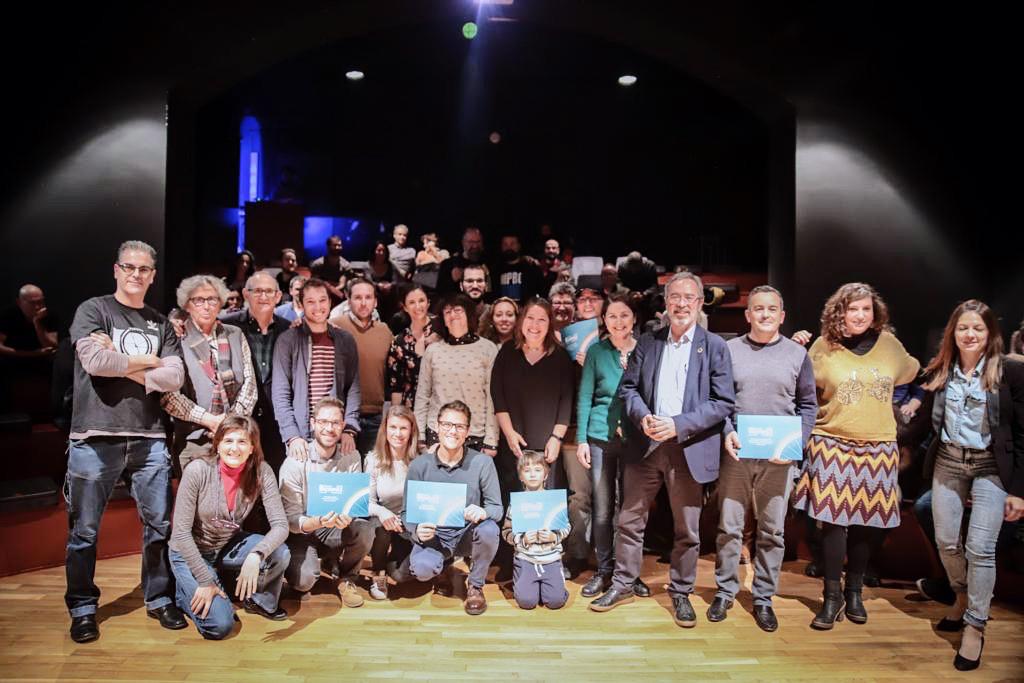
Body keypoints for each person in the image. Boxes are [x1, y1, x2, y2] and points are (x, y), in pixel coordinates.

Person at [590, 272, 735, 630]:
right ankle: (623, 583)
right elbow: (628, 389)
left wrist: (679, 424)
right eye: (675, 297)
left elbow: (722, 402)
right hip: (646, 446)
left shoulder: (715, 346)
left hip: (688, 447)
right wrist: (642, 417)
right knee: (629, 521)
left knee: (687, 529)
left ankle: (681, 591)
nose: (681, 304)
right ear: (666, 303)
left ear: (699, 303)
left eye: (688, 298)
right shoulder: (649, 342)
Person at [65, 240, 187, 643]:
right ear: (117, 270)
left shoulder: (160, 323)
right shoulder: (93, 310)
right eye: (129, 267)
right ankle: (83, 608)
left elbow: (174, 378)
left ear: (153, 276)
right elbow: (95, 363)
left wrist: (122, 360)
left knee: (159, 526)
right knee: (84, 531)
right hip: (94, 436)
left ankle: (159, 598)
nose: (136, 274)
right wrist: (150, 362)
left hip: (149, 437)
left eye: (144, 269)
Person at [792, 282, 920, 630]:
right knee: (833, 523)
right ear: (840, 312)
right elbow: (802, 383)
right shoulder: (823, 346)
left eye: (866, 309)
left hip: (878, 445)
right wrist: (796, 349)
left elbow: (912, 369)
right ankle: (831, 597)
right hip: (832, 440)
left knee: (866, 522)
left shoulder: (890, 345)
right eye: (853, 309)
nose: (860, 315)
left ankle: (854, 592)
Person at [920, 299, 1024, 671]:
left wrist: (1019, 491)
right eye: (963, 327)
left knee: (980, 548)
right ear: (953, 332)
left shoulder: (1010, 372)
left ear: (990, 333)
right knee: (947, 541)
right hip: (948, 461)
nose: (969, 334)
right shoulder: (941, 369)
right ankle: (961, 597)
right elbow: (925, 421)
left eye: (977, 328)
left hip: (991, 466)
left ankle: (976, 626)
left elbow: (1022, 434)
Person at [709, 286, 817, 632]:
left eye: (772, 309)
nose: (765, 314)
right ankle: (725, 591)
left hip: (779, 458)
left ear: (782, 316)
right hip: (738, 454)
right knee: (729, 528)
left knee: (772, 531)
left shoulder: (797, 355)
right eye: (758, 309)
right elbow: (719, 401)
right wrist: (728, 431)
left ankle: (763, 597)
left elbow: (808, 406)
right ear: (748, 315)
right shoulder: (728, 351)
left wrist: (795, 445)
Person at [169, 416, 290, 638]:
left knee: (279, 553)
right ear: (217, 445)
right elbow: (181, 533)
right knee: (220, 626)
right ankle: (182, 594)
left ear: (252, 448)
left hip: (227, 544)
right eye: (228, 441)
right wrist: (205, 581)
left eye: (242, 441)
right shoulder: (197, 470)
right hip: (189, 551)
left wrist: (256, 555)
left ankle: (259, 601)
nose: (234, 448)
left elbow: (281, 526)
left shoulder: (262, 471)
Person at [394, 400, 502, 615]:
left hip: (467, 533)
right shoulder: (419, 465)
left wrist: (483, 512)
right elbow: (406, 513)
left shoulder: (482, 463)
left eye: (459, 426)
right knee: (421, 570)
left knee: (489, 529)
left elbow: (496, 508)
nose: (453, 431)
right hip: (435, 536)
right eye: (447, 425)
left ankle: (475, 586)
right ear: (437, 427)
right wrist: (417, 530)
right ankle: (441, 570)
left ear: (467, 431)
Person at [576, 294, 650, 599]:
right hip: (600, 438)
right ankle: (604, 570)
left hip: (635, 440)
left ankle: (629, 573)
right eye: (612, 316)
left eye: (624, 315)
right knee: (603, 509)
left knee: (631, 511)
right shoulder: (597, 351)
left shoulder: (646, 349)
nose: (618, 322)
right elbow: (585, 396)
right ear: (604, 321)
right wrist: (582, 439)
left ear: (634, 319)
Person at [490, 297, 575, 563]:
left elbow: (567, 399)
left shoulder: (560, 356)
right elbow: (497, 395)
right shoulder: (507, 352)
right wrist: (509, 433)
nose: (535, 325)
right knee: (513, 499)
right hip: (514, 444)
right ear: (521, 321)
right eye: (530, 318)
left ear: (549, 324)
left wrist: (557, 437)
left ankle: (550, 559)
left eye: (542, 319)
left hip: (548, 446)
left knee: (547, 504)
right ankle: (513, 559)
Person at [278, 397, 374, 608]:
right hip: (302, 532)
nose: (329, 429)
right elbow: (290, 520)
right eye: (323, 422)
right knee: (304, 582)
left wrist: (348, 515)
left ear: (343, 426)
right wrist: (318, 521)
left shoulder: (351, 456)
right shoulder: (294, 462)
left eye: (335, 423)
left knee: (365, 529)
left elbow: (354, 504)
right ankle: (322, 562)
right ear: (313, 423)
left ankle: (346, 577)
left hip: (334, 528)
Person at [161, 275, 257, 472]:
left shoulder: (235, 334)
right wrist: (210, 421)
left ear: (220, 303)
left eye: (212, 299)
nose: (206, 306)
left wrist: (229, 424)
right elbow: (168, 395)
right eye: (199, 300)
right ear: (187, 305)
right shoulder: (175, 338)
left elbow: (250, 385)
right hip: (193, 441)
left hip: (234, 441)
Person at [272, 278, 361, 463]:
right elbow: (280, 394)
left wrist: (349, 429)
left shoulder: (345, 340)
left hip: (336, 432)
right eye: (310, 301)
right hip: (301, 435)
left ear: (330, 302)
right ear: (301, 304)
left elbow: (353, 388)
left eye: (322, 300)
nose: (318, 307)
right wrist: (292, 436)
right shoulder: (287, 340)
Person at [220, 271, 292, 472]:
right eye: (257, 291)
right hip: (240, 417)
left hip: (276, 420)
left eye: (269, 291)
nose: (263, 296)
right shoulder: (227, 324)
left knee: (274, 477)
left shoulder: (289, 329)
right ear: (246, 294)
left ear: (278, 296)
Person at [415, 293, 499, 453]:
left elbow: (492, 397)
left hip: (475, 434)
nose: (452, 315)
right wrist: (420, 436)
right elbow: (422, 396)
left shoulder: (488, 349)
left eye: (458, 310)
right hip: (438, 434)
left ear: (469, 314)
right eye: (447, 312)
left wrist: (491, 440)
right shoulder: (433, 351)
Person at [330, 278, 395, 456]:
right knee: (344, 468)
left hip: (375, 416)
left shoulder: (384, 331)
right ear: (348, 300)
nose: (363, 303)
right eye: (358, 297)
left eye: (368, 297)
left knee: (372, 468)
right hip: (342, 415)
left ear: (375, 301)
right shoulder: (334, 326)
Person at [501, 450, 570, 610]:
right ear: (521, 476)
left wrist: (554, 536)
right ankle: (525, 583)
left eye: (538, 470)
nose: (533, 474)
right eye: (527, 470)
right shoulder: (516, 504)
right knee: (527, 602)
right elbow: (506, 532)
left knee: (555, 602)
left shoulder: (554, 501)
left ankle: (553, 586)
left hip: (551, 559)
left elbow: (566, 527)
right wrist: (522, 540)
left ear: (545, 475)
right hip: (526, 559)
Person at [364, 405, 420, 600]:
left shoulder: (420, 460)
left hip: (409, 524)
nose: (398, 433)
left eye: (403, 428)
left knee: (401, 575)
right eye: (393, 427)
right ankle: (378, 571)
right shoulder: (373, 460)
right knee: (379, 526)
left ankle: (394, 564)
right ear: (385, 429)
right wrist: (382, 512)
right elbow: (367, 503)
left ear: (411, 430)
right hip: (384, 523)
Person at [387, 284, 439, 408]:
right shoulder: (399, 342)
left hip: (441, 404)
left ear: (428, 303)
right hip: (411, 407)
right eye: (411, 302)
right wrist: (395, 414)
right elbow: (396, 387)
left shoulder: (442, 330)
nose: (417, 306)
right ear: (405, 307)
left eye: (421, 301)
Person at [0, 284, 60, 357]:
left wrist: (37, 323)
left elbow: (52, 346)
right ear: (19, 302)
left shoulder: (49, 316)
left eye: (40, 302)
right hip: (12, 359)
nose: (37, 307)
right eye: (32, 303)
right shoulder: (8, 315)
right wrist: (33, 354)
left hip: (42, 361)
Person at [493, 234, 544, 304]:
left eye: (512, 244)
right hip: (504, 309)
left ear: (519, 246)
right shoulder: (496, 269)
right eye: (505, 244)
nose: (509, 247)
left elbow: (541, 290)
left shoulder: (531, 266)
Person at [437, 227, 488, 295]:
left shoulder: (490, 262)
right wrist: (452, 281)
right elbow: (441, 293)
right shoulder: (449, 264)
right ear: (463, 243)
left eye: (478, 242)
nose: (475, 246)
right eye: (470, 242)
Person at [309, 235, 352, 306]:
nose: (337, 247)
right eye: (334, 245)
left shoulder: (346, 265)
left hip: (338, 298)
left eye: (339, 245)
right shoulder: (318, 264)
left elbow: (342, 285)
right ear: (328, 247)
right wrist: (329, 288)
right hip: (319, 295)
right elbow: (314, 283)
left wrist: (329, 287)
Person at [366, 239, 398, 321]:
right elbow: (368, 281)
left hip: (389, 294)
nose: (381, 253)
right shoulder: (368, 265)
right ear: (374, 251)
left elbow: (396, 280)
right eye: (379, 250)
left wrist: (390, 285)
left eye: (384, 251)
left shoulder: (390, 265)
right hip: (374, 293)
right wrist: (378, 286)